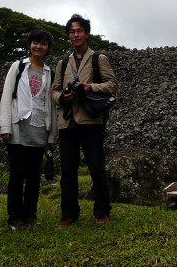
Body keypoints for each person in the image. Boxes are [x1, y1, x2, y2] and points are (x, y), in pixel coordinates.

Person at [52, 14, 118, 226]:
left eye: (79, 30)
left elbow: (112, 85)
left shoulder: (99, 59)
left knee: (96, 167)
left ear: (87, 33)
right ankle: (69, 213)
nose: (76, 34)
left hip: (92, 121)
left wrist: (90, 87)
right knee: (68, 170)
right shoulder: (63, 63)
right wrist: (64, 97)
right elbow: (53, 92)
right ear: (69, 35)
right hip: (67, 122)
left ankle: (102, 211)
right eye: (72, 31)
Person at [0, 30, 58, 231]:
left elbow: (51, 105)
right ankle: (15, 217)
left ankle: (30, 215)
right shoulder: (19, 66)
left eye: (43, 44)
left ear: (48, 47)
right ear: (29, 45)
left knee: (34, 175)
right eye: (35, 43)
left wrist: (52, 135)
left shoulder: (50, 72)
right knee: (17, 173)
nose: (38, 47)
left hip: (40, 127)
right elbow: (7, 96)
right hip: (17, 127)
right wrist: (5, 126)